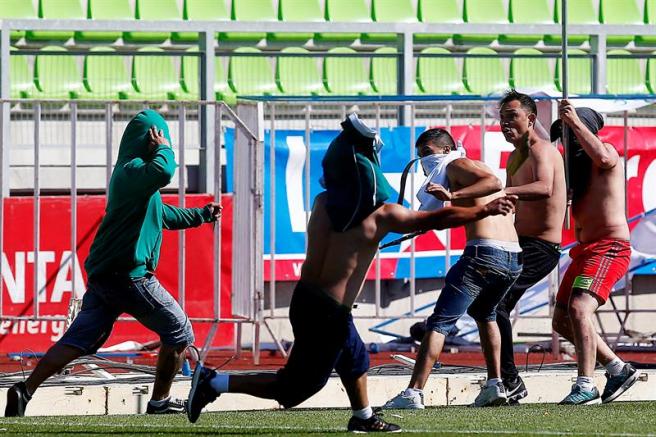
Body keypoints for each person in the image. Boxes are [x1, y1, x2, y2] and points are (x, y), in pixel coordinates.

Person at [186, 114, 517, 432]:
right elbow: (432, 220)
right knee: (296, 388)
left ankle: (363, 416)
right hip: (328, 311)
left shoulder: (322, 203)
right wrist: (484, 208)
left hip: (307, 302)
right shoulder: (381, 215)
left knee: (353, 360)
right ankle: (213, 382)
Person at [5, 110, 222, 417]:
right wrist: (165, 148)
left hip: (106, 276)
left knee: (79, 340)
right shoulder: (133, 172)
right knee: (179, 332)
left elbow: (163, 216)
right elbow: (165, 172)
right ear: (150, 138)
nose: (163, 141)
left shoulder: (136, 179)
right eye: (159, 136)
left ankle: (23, 391)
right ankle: (159, 403)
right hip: (129, 276)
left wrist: (201, 214)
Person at [383, 128, 522, 409]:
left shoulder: (457, 164)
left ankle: (413, 393)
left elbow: (493, 182)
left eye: (427, 154)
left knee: (440, 323)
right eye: (420, 156)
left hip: (485, 254)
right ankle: (494, 385)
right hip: (511, 258)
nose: (424, 162)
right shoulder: (464, 167)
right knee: (485, 314)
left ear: (446, 150)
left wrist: (450, 193)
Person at [550, 102, 637, 405]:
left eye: (570, 134)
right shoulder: (577, 173)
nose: (566, 142)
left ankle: (585, 384)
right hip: (584, 250)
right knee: (561, 319)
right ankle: (616, 368)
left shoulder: (607, 153)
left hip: (609, 247)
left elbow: (600, 155)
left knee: (579, 309)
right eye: (563, 135)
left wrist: (574, 122)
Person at [494, 90, 567, 403]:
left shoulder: (541, 148)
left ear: (531, 119)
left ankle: (508, 380)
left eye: (513, 117)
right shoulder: (514, 155)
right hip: (519, 244)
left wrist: (505, 190)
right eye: (502, 119)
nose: (506, 124)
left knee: (494, 305)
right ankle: (500, 379)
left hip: (541, 248)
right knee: (488, 305)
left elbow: (544, 187)